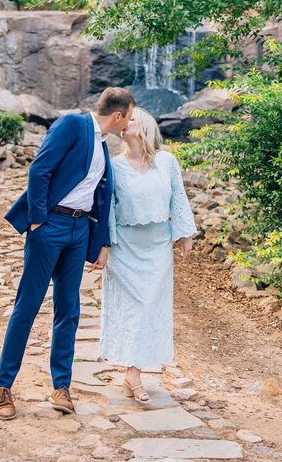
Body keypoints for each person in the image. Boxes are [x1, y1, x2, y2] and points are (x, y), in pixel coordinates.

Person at [0, 87, 136, 420]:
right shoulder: (71, 125)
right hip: (50, 226)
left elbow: (100, 197)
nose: (129, 122)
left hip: (79, 230)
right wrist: (38, 221)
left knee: (69, 311)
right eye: (128, 116)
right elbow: (39, 170)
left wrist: (100, 243)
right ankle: (3, 388)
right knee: (27, 307)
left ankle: (61, 387)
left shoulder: (103, 145)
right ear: (118, 116)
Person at [96, 107, 196, 403]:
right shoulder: (113, 165)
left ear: (145, 128)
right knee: (133, 309)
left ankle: (133, 372)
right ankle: (133, 374)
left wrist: (184, 234)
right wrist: (104, 246)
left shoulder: (167, 162)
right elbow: (107, 208)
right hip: (125, 247)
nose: (124, 124)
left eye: (131, 120)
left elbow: (179, 197)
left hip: (157, 247)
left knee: (150, 309)